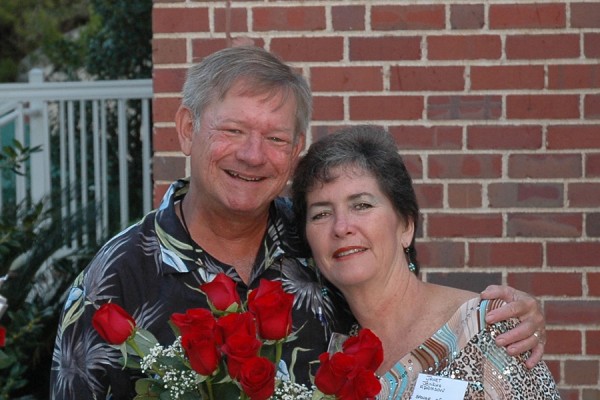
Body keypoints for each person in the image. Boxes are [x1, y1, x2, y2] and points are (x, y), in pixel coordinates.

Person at [50, 46, 546, 399]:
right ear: (187, 130)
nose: (252, 154)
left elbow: (409, 305)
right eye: (233, 130)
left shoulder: (318, 239)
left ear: (294, 152)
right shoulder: (113, 284)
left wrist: (503, 316)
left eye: (276, 138)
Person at [291, 125, 560, 399]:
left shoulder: (487, 328)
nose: (341, 227)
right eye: (321, 214)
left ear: (406, 226)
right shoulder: (333, 357)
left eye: (361, 205)